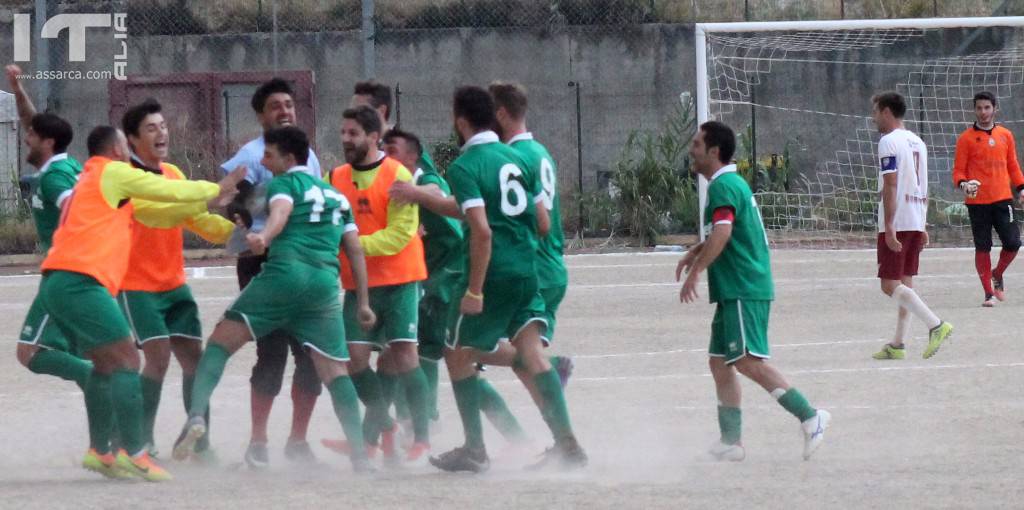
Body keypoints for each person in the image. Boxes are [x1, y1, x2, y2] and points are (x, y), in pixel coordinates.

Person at [25, 125, 244, 480]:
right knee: (128, 358)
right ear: (115, 148)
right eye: (126, 146)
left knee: (105, 364)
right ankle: (135, 451)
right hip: (80, 280)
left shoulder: (96, 181)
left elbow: (158, 211)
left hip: (59, 281)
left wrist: (222, 222)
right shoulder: (112, 171)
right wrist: (215, 188)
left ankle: (100, 452)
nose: (129, 154)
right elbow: (162, 188)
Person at [172, 126, 376, 474]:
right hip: (324, 287)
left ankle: (195, 417)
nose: (264, 161)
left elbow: (280, 213)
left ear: (289, 158)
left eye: (269, 155)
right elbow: (355, 249)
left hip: (284, 276)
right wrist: (363, 302)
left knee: (220, 344)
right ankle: (360, 456)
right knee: (334, 370)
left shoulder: (284, 185)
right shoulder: (336, 195)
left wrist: (263, 236)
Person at [429, 86, 586, 473]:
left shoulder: (464, 167)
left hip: (492, 273)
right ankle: (567, 444)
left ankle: (475, 448)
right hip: (527, 271)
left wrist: (475, 290)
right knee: (532, 354)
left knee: (456, 353)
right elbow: (545, 223)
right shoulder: (519, 159)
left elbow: (481, 231)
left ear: (460, 122)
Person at [677, 120, 830, 462]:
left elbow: (724, 233)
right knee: (720, 361)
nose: (692, 150)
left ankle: (810, 416)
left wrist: (696, 271)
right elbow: (726, 231)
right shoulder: (728, 184)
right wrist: (695, 251)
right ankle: (731, 441)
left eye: (697, 144)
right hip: (737, 288)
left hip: (744, 287)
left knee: (747, 361)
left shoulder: (723, 186)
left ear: (714, 152)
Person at [383, 128, 531, 446]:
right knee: (435, 353)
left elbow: (448, 210)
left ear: (413, 156)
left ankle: (428, 420)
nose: (385, 155)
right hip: (433, 279)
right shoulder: (393, 183)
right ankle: (515, 435)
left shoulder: (425, 181)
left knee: (441, 355)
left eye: (391, 149)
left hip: (447, 280)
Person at [118, 98, 235, 458]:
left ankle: (201, 444)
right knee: (157, 358)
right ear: (133, 140)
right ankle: (142, 442)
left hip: (173, 283)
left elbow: (196, 220)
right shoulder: (124, 180)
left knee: (194, 359)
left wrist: (242, 235)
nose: (161, 133)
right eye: (151, 128)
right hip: (135, 285)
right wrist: (212, 196)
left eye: (163, 126)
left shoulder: (174, 175)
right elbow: (158, 213)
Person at [220, 78, 324, 467]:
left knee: (310, 354)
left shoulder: (305, 154)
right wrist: (247, 223)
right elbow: (231, 198)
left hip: (303, 259)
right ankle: (258, 443)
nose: (285, 111)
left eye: (289, 104)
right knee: (272, 352)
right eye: (276, 106)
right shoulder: (251, 154)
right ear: (261, 115)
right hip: (262, 261)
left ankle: (298, 441)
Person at [323, 106, 432, 463]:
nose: (345, 139)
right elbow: (325, 225)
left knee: (403, 355)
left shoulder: (398, 175)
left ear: (373, 137)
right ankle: (383, 425)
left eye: (353, 133)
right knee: (353, 361)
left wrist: (352, 245)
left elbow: (400, 235)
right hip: (358, 285)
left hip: (399, 280)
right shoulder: (334, 177)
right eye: (343, 133)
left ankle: (421, 437)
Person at [7, 64, 92, 393]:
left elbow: (80, 208)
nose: (24, 136)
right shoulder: (66, 162)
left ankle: (103, 382)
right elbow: (32, 120)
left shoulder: (54, 178)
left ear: (47, 142)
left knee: (30, 352)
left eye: (30, 136)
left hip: (65, 277)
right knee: (87, 353)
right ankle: (113, 433)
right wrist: (18, 90)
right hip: (83, 274)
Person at [867, 92, 954, 361]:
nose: (873, 118)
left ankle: (936, 324)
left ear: (886, 111)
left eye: (875, 112)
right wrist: (923, 223)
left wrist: (890, 225)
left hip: (900, 217)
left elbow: (891, 184)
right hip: (915, 216)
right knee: (906, 281)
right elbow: (924, 185)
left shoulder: (888, 141)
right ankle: (898, 344)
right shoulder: (918, 141)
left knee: (888, 284)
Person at [952, 91, 1024, 307]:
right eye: (979, 108)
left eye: (987, 108)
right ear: (974, 110)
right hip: (977, 203)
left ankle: (997, 273)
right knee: (982, 247)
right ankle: (988, 293)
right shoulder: (965, 138)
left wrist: (1021, 188)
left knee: (1013, 243)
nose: (983, 112)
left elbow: (1013, 166)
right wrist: (964, 184)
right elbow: (958, 172)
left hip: (1002, 199)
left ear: (994, 109)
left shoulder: (1005, 135)